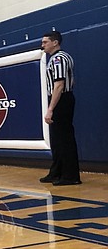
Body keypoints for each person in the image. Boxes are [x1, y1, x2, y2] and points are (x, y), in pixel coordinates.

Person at [39, 31, 81, 186]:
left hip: (61, 99)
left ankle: (70, 176)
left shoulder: (58, 59)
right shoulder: (62, 58)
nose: (43, 45)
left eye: (45, 42)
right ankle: (57, 172)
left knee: (64, 138)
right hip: (62, 98)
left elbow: (59, 85)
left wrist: (51, 108)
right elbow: (72, 81)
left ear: (55, 42)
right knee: (57, 139)